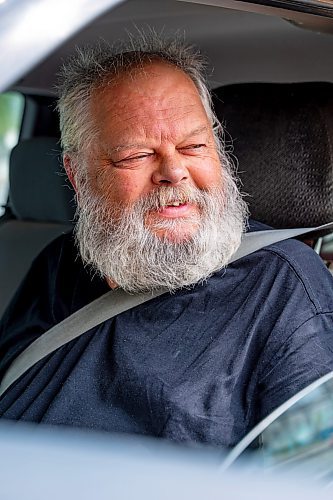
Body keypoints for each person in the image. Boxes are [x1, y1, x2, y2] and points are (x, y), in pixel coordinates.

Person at [1, 33, 333, 448]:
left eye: (194, 145)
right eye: (136, 156)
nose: (174, 171)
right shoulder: (60, 263)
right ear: (78, 175)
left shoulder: (284, 285)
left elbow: (311, 473)